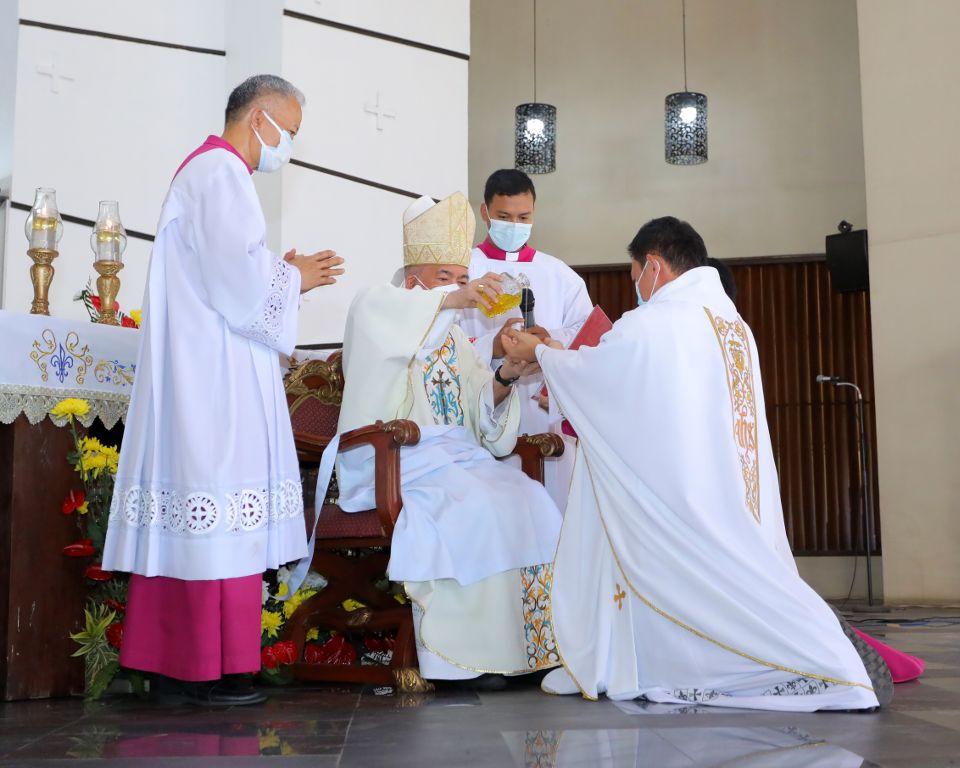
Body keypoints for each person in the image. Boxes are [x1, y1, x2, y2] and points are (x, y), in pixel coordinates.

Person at [501, 216, 889, 711]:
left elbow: (607, 376)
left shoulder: (658, 322)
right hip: (726, 487)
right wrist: (558, 357)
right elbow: (646, 392)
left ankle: (823, 663)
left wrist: (542, 353)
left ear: (655, 268)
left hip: (680, 496)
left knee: (700, 588)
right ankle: (821, 654)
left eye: (635, 272)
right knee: (750, 583)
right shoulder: (730, 324)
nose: (636, 285)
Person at [102, 75, 345, 706]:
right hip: (212, 381)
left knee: (207, 513)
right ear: (259, 116)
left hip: (210, 370)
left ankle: (189, 669)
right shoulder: (221, 174)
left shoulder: (210, 173)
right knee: (213, 504)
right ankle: (200, 673)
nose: (287, 145)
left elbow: (231, 272)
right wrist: (293, 277)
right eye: (287, 132)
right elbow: (240, 285)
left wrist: (278, 274)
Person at [327, 192, 563, 688]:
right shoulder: (376, 308)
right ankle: (464, 658)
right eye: (446, 279)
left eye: (462, 279)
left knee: (531, 499)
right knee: (471, 504)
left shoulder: (453, 338)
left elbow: (481, 408)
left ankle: (530, 650)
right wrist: (457, 297)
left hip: (457, 459)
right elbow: (395, 315)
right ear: (414, 280)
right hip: (396, 461)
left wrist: (505, 376)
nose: (460, 290)